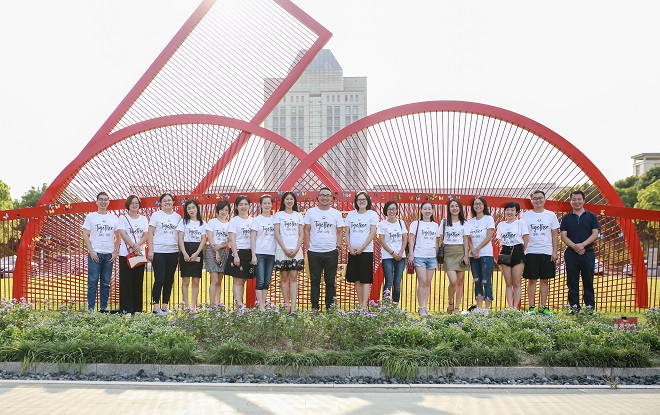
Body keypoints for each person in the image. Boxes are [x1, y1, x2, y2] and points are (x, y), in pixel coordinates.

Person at [303, 187, 345, 311]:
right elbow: (306, 230)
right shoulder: (311, 212)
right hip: (314, 251)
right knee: (314, 280)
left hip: (331, 251)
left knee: (330, 281)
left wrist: (338, 246)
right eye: (322, 195)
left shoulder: (336, 213)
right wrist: (308, 246)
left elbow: (340, 231)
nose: (324, 198)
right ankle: (315, 307)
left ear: (331, 198)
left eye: (327, 195)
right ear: (318, 197)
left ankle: (329, 308)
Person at [560, 190, 600, 310]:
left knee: (588, 280)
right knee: (572, 281)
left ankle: (589, 307)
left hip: (588, 252)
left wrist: (583, 245)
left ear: (583, 200)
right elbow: (563, 236)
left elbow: (595, 233)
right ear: (570, 201)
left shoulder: (591, 216)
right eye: (574, 199)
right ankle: (574, 307)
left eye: (579, 199)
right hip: (571, 253)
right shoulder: (566, 218)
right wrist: (575, 247)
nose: (576, 202)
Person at [522, 190, 560, 315]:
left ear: (544, 200)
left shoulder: (551, 215)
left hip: (546, 251)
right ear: (531, 201)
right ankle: (531, 307)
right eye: (535, 198)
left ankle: (543, 306)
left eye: (540, 198)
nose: (538, 200)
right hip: (531, 251)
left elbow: (555, 235)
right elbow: (522, 234)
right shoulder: (526, 216)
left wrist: (555, 251)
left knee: (544, 280)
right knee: (532, 280)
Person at [82, 191, 119, 312]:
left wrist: (115, 251)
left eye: (105, 199)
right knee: (92, 282)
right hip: (95, 253)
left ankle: (104, 308)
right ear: (96, 202)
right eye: (101, 199)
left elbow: (118, 235)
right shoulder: (91, 217)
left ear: (108, 202)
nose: (103, 202)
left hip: (109, 254)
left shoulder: (113, 218)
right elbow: (85, 234)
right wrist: (91, 251)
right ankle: (91, 308)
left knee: (105, 283)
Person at [147, 193, 181, 315]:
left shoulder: (178, 217)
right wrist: (151, 250)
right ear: (161, 203)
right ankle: (156, 307)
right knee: (159, 279)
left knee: (169, 280)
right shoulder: (156, 215)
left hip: (173, 251)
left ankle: (165, 306)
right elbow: (150, 233)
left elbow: (180, 235)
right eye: (164, 200)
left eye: (169, 200)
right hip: (159, 251)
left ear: (173, 202)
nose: (167, 202)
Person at [345, 192, 379, 309]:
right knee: (357, 279)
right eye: (359, 199)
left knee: (365, 279)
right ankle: (360, 305)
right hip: (353, 252)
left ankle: (364, 305)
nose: (362, 201)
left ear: (368, 201)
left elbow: (373, 233)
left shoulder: (372, 214)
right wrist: (349, 247)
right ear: (356, 201)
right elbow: (347, 232)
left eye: (364, 199)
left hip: (366, 251)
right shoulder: (351, 215)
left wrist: (362, 247)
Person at [117, 195, 148, 314]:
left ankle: (137, 309)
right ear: (128, 205)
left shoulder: (143, 219)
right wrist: (133, 246)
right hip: (125, 254)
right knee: (126, 282)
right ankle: (126, 310)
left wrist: (138, 245)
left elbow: (145, 234)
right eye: (132, 203)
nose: (134, 205)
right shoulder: (123, 218)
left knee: (138, 281)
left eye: (136, 203)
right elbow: (123, 234)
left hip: (139, 254)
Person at [273, 191, 304, 313]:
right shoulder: (278, 215)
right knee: (284, 277)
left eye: (291, 199)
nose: (289, 201)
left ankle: (294, 306)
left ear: (294, 201)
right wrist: (285, 249)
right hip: (282, 250)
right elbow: (277, 233)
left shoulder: (298, 215)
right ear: (283, 201)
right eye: (287, 199)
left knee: (294, 277)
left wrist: (296, 249)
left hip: (296, 250)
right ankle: (286, 305)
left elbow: (301, 234)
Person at [407, 201, 440, 316]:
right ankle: (421, 308)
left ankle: (425, 307)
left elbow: (436, 242)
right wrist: (411, 254)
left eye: (429, 209)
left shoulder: (435, 225)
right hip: (419, 255)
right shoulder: (416, 224)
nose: (427, 211)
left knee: (428, 282)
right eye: (425, 209)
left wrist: (436, 256)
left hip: (432, 256)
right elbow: (411, 240)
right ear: (421, 210)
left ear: (433, 211)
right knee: (422, 281)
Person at [439, 198, 470, 314]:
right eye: (452, 206)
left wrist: (466, 255)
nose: (454, 208)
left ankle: (456, 308)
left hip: (461, 252)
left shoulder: (464, 223)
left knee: (460, 281)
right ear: (449, 208)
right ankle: (450, 302)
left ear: (460, 208)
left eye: (457, 206)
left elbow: (466, 240)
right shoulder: (444, 222)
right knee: (453, 280)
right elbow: (439, 237)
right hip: (448, 252)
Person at [496, 201, 529, 310]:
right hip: (505, 251)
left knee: (517, 282)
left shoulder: (521, 223)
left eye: (512, 210)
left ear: (516, 212)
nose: (509, 212)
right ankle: (510, 307)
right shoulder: (501, 225)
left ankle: (515, 307)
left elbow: (526, 239)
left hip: (518, 250)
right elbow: (500, 240)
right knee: (508, 282)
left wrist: (522, 252)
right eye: (507, 210)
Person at [466, 196, 495, 314]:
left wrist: (477, 249)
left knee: (486, 281)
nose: (477, 206)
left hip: (486, 254)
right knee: (477, 280)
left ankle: (487, 308)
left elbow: (489, 236)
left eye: (480, 204)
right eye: (475, 204)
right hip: (473, 255)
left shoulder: (489, 219)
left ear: (484, 206)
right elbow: (467, 238)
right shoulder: (470, 222)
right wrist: (473, 250)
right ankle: (479, 307)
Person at [177, 200, 207, 312]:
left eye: (193, 207)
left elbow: (203, 240)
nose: (191, 210)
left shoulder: (202, 223)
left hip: (197, 250)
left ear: (197, 208)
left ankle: (193, 307)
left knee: (196, 281)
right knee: (185, 281)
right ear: (186, 210)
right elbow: (180, 238)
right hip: (185, 249)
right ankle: (187, 306)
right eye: (189, 208)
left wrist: (197, 253)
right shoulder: (183, 222)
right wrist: (184, 253)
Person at [226, 195, 255, 307]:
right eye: (241, 204)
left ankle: (241, 305)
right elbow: (232, 240)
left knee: (244, 280)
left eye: (246, 204)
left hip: (249, 253)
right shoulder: (234, 221)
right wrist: (236, 256)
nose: (243, 207)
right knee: (238, 281)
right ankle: (239, 306)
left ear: (249, 206)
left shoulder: (253, 220)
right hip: (237, 252)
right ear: (237, 207)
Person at [377, 201, 407, 305]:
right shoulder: (382, 224)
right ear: (386, 211)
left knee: (397, 283)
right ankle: (385, 307)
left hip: (401, 256)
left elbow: (405, 239)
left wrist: (401, 252)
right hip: (387, 256)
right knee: (389, 281)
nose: (391, 211)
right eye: (389, 209)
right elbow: (381, 240)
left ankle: (395, 306)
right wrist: (393, 253)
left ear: (397, 210)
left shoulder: (401, 223)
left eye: (394, 209)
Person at [251, 194, 276, 311]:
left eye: (269, 203)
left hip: (271, 253)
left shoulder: (275, 219)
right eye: (264, 203)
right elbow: (253, 238)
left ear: (272, 205)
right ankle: (260, 305)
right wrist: (253, 255)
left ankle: (263, 303)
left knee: (267, 281)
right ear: (261, 205)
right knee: (260, 280)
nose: (267, 205)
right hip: (259, 253)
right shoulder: (257, 220)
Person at [205, 200, 230, 306]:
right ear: (217, 211)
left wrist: (221, 248)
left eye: (226, 210)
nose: (224, 212)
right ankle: (212, 305)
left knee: (219, 281)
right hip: (212, 251)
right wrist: (216, 251)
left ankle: (217, 304)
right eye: (222, 210)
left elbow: (229, 242)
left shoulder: (229, 224)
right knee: (214, 280)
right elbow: (210, 239)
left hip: (223, 251)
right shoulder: (212, 222)